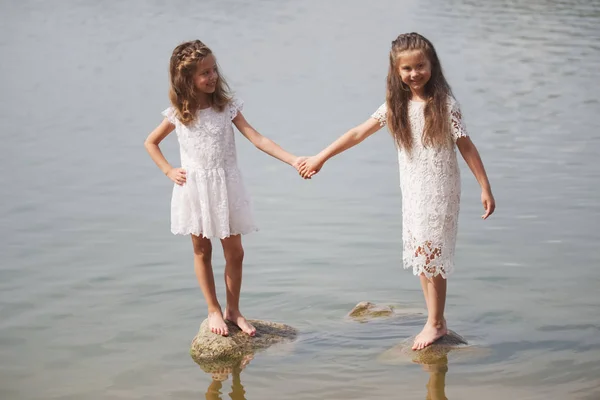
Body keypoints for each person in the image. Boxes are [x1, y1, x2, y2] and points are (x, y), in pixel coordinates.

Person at [299, 33, 495, 350]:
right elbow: (358, 133)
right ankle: (434, 320)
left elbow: (466, 146)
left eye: (420, 66)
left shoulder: (445, 104)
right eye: (407, 69)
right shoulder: (396, 105)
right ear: (396, 71)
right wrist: (321, 157)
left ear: (432, 66)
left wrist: (485, 187)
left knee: (435, 253)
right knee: (421, 253)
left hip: (440, 188)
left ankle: (437, 322)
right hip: (414, 189)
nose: (415, 73)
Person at [144, 40, 305, 337]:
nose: (213, 76)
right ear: (186, 79)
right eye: (204, 73)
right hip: (195, 188)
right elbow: (150, 142)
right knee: (202, 250)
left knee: (236, 252)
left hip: (226, 187)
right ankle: (213, 309)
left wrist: (293, 160)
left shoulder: (227, 108)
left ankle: (234, 309)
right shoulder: (179, 113)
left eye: (214, 69)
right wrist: (168, 170)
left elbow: (258, 139)